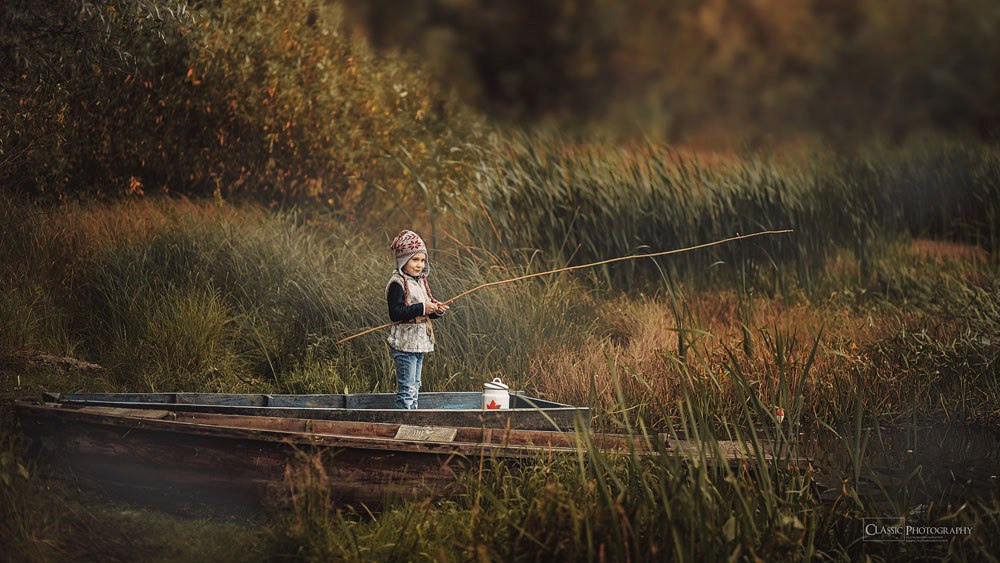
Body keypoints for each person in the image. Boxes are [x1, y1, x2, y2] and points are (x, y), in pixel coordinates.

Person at [386, 230, 448, 409]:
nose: (420, 265)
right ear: (403, 260)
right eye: (415, 260)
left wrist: (436, 310)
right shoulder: (397, 283)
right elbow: (396, 313)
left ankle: (412, 419)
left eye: (422, 260)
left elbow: (425, 311)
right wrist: (422, 307)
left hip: (419, 343)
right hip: (405, 345)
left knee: (415, 386)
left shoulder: (420, 281)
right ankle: (403, 423)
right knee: (407, 389)